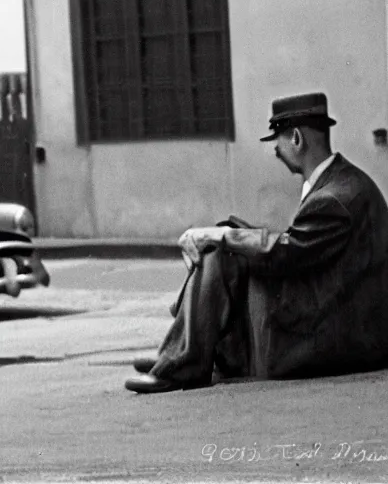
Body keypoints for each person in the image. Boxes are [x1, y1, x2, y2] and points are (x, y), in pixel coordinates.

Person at [125, 92, 388, 394]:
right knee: (229, 241)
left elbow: (290, 251)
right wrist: (228, 233)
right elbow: (298, 246)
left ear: (297, 139)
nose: (275, 151)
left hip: (341, 337)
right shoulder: (341, 182)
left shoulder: (335, 196)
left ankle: (183, 362)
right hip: (342, 319)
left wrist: (224, 236)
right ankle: (183, 355)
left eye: (276, 141)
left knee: (224, 249)